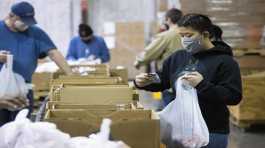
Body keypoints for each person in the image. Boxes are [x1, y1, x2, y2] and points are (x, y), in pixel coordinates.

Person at [134, 14, 242, 148]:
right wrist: (145, 81)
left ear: (205, 34)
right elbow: (164, 79)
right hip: (181, 130)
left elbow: (233, 96)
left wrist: (202, 85)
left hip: (211, 131)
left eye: (189, 35)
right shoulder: (178, 57)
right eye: (182, 36)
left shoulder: (225, 62)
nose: (184, 40)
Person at [0, 1, 73, 126]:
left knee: (22, 129)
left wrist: (71, 74)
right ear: (11, 16)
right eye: (23, 21)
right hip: (1, 89)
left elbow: (53, 53)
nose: (26, 25)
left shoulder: (36, 33)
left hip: (24, 89)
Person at [134, 8, 183, 108]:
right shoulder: (186, 34)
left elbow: (149, 53)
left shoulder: (166, 35)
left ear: (168, 20)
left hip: (168, 81)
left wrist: (138, 62)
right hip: (187, 82)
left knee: (168, 113)